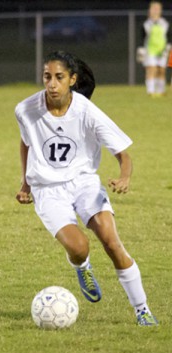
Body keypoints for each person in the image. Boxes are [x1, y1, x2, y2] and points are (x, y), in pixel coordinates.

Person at [15, 50, 159, 326]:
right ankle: (82, 266)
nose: (52, 84)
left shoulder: (86, 111)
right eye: (47, 77)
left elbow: (123, 154)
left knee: (110, 240)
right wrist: (26, 184)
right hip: (48, 189)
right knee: (79, 247)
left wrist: (124, 176)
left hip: (83, 183)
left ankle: (142, 310)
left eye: (59, 77)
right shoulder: (26, 110)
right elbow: (27, 142)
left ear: (72, 79)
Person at [141, 1, 169, 97]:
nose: (155, 11)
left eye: (157, 9)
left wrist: (167, 47)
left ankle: (161, 91)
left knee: (161, 70)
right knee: (151, 69)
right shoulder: (146, 24)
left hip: (162, 50)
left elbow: (167, 36)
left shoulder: (164, 23)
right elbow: (142, 37)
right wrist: (142, 50)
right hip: (150, 50)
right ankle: (151, 91)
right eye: (154, 8)